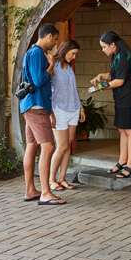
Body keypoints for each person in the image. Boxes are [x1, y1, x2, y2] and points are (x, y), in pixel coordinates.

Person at [19, 23, 65, 205]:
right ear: (47, 36)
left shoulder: (30, 52)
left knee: (32, 145)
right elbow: (38, 80)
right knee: (48, 147)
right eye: (54, 39)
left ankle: (30, 190)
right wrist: (51, 65)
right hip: (36, 107)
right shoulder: (38, 53)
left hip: (30, 105)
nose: (55, 43)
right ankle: (46, 193)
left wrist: (51, 111)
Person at [91, 31, 131, 178]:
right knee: (122, 130)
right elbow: (116, 74)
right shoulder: (117, 55)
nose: (103, 50)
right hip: (120, 97)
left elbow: (119, 81)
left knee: (130, 130)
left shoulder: (125, 55)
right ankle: (122, 161)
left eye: (104, 47)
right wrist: (102, 75)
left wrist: (99, 86)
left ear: (112, 44)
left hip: (128, 97)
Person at [49, 40, 81, 192]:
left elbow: (74, 89)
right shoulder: (53, 66)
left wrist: (80, 108)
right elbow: (47, 90)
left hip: (73, 109)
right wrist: (50, 112)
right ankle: (51, 180)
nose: (74, 57)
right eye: (72, 53)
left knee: (67, 145)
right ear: (65, 50)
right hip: (59, 110)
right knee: (61, 146)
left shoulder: (69, 67)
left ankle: (62, 179)